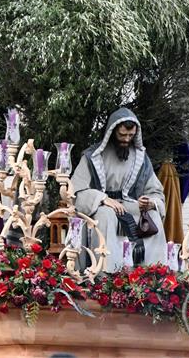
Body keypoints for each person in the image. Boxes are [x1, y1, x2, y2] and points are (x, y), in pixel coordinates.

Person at [72, 108, 166, 272]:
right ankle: (107, 273)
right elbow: (76, 191)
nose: (126, 139)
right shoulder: (92, 156)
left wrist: (150, 202)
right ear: (112, 132)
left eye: (130, 136)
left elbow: (156, 192)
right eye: (122, 135)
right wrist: (103, 199)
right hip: (101, 207)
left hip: (129, 205)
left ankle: (153, 273)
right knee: (106, 215)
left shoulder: (141, 159)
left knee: (153, 215)